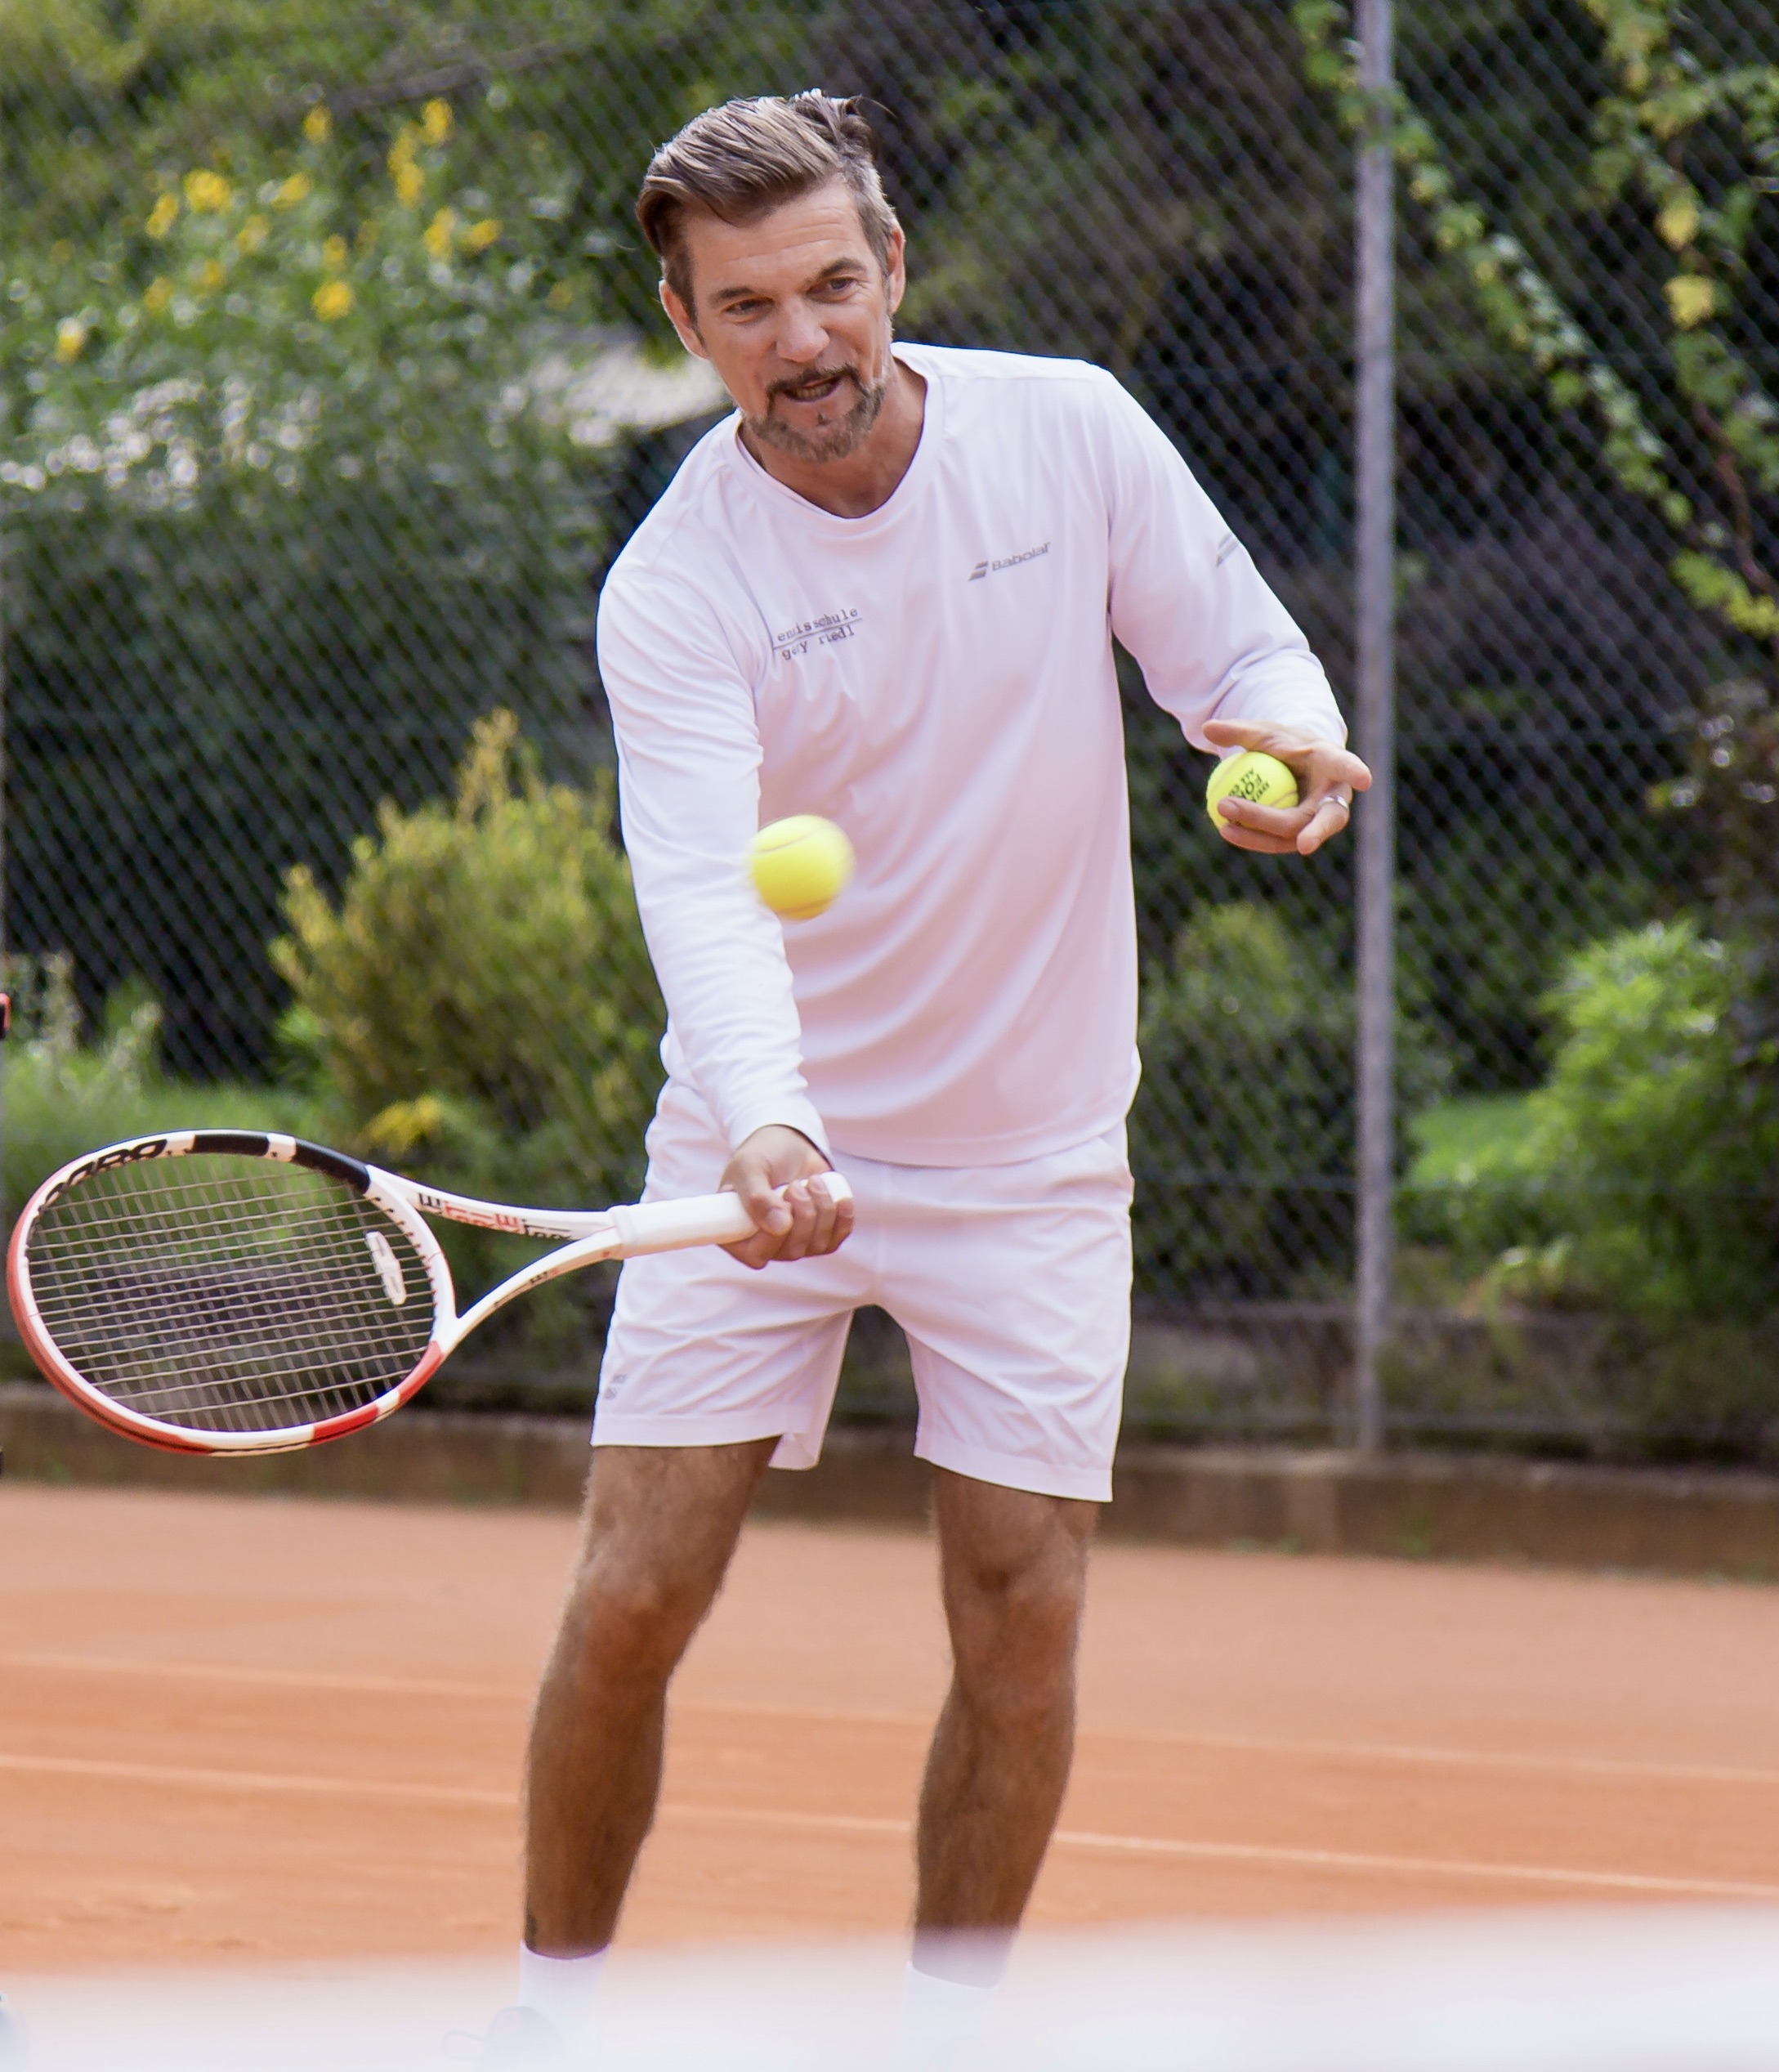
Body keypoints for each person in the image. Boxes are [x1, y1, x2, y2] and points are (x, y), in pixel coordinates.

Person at [484, 90, 1364, 2065]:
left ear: (895, 273)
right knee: (633, 1591)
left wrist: (1292, 739)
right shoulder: (676, 586)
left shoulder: (1069, 431)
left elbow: (1239, 650)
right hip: (755, 1144)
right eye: (745, 307)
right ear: (687, 323)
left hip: (1035, 1153)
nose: (802, 340)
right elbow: (706, 888)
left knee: (1020, 1607)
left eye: (829, 284)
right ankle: (546, 2023)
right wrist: (773, 1118)